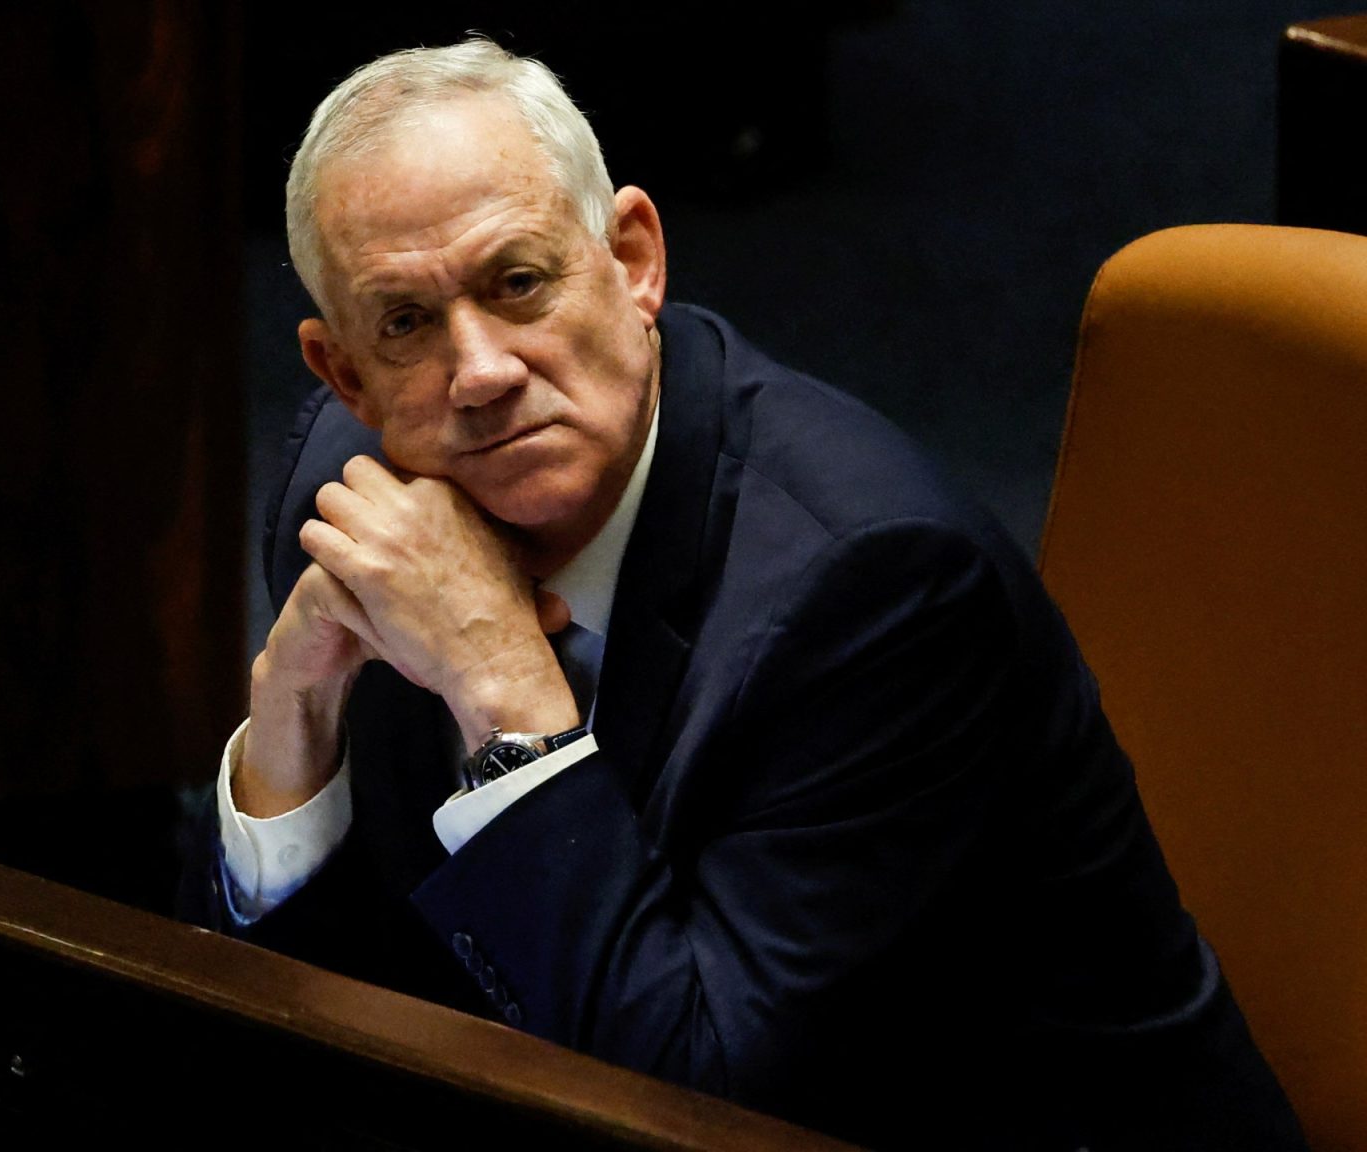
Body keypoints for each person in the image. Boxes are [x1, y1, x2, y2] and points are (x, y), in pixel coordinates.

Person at [181, 38, 1307, 1151]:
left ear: (632, 260)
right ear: (345, 374)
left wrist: (504, 690)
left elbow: (701, 1097)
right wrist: (290, 726)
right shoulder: (356, 508)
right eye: (406, 324)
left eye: (517, 283)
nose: (478, 372)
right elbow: (325, 1019)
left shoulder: (873, 586)